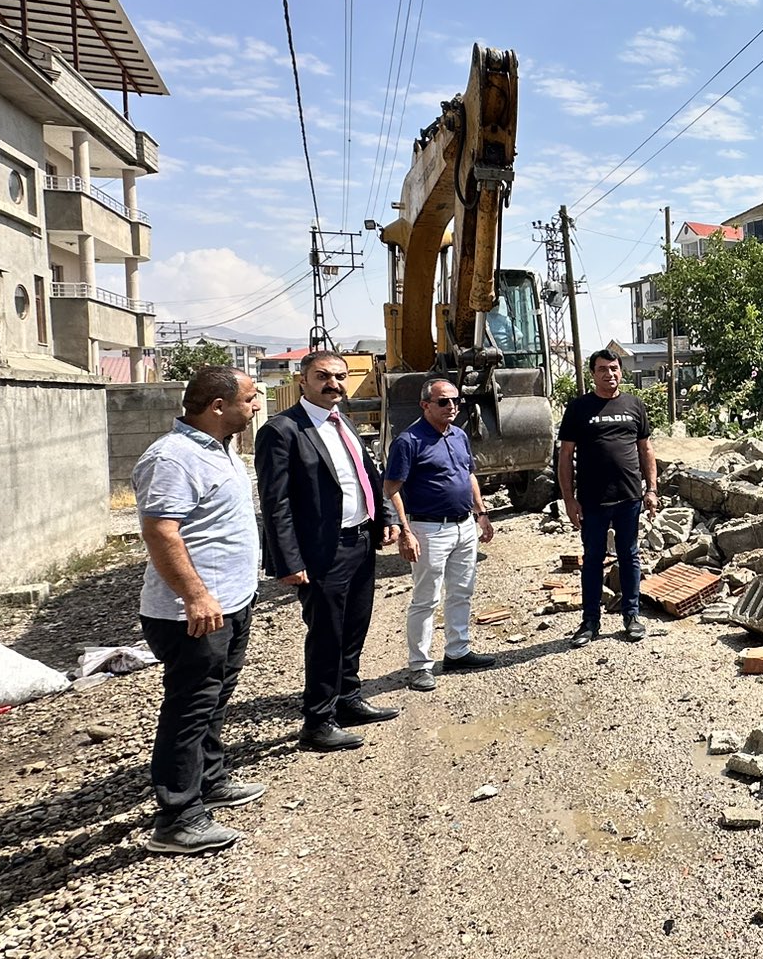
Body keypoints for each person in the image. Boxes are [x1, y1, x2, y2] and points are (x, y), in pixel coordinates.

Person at [132, 365, 264, 855]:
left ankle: (210, 781)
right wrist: (195, 595)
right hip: (193, 612)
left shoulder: (220, 451)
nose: (254, 406)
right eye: (249, 399)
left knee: (213, 700)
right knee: (188, 709)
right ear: (217, 406)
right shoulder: (173, 458)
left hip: (230, 602)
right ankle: (178, 818)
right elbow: (160, 531)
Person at [255, 350, 401, 752]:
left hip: (359, 542)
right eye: (323, 376)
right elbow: (275, 503)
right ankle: (318, 721)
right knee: (326, 635)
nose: (333, 383)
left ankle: (348, 699)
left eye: (339, 376)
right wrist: (288, 560)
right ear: (303, 380)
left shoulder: (344, 422)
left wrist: (385, 515)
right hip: (323, 551)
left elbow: (369, 476)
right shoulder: (283, 430)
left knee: (355, 626)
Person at [383, 377, 498, 691]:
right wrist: (405, 531)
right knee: (426, 599)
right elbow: (391, 488)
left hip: (463, 526)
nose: (452, 407)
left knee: (462, 591)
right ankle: (420, 665)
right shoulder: (408, 441)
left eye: (456, 401)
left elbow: (469, 475)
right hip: (429, 529)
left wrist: (482, 513)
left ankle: (457, 651)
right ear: (425, 405)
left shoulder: (459, 435)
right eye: (443, 402)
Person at [557, 348, 658, 645]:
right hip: (592, 501)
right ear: (593, 374)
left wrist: (651, 489)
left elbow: (646, 450)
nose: (609, 374)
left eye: (614, 368)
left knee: (629, 557)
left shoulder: (635, 405)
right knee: (593, 560)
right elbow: (565, 456)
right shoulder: (578, 408)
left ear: (621, 372)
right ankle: (590, 622)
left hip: (629, 498)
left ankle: (631, 616)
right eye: (602, 369)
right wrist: (569, 499)